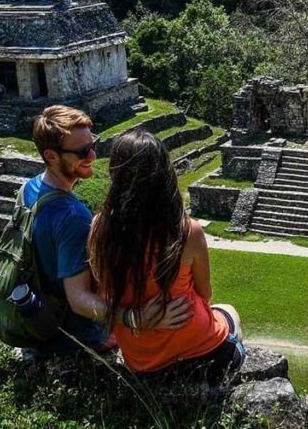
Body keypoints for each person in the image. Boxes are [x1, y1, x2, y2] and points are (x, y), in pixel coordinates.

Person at [25, 105, 191, 355]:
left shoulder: (30, 188)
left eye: (93, 145)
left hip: (43, 319)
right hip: (79, 335)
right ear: (51, 156)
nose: (92, 155)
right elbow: (78, 298)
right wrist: (136, 318)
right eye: (82, 151)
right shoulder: (73, 217)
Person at [88, 130, 244, 384]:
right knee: (228, 311)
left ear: (115, 174)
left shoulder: (100, 228)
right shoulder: (185, 230)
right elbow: (205, 294)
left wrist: (139, 316)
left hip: (142, 362)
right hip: (201, 350)